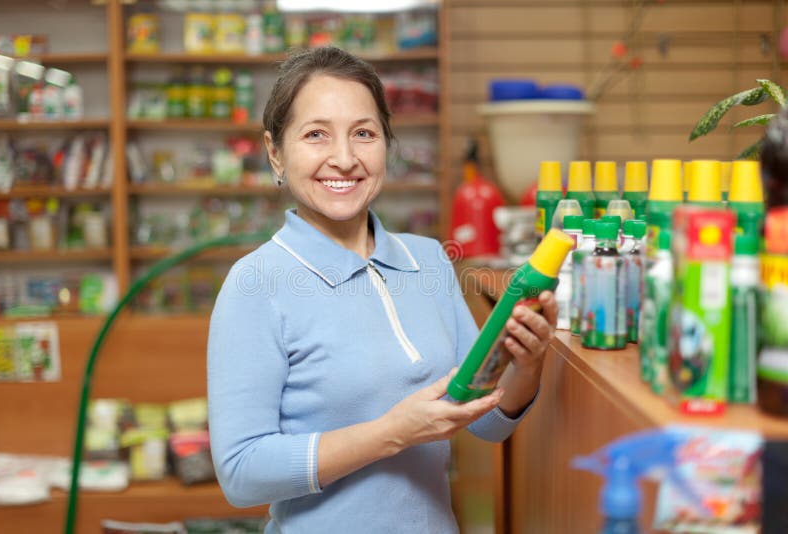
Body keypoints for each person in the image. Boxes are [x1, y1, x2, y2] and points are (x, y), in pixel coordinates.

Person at [207, 46, 558, 534]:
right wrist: (390, 435)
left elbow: (485, 419)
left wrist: (528, 362)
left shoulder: (429, 260)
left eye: (364, 134)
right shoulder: (255, 284)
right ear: (275, 152)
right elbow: (240, 473)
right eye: (316, 135)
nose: (345, 159)